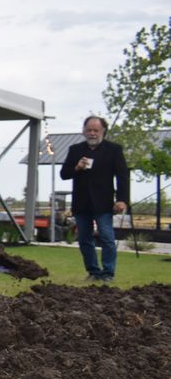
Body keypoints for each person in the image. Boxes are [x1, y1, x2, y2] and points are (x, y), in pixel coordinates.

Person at [60, 115, 129, 281]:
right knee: (84, 239)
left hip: (104, 203)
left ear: (103, 131)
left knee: (106, 237)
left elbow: (122, 176)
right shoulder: (75, 150)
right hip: (81, 203)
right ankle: (93, 272)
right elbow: (64, 174)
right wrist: (77, 167)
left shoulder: (114, 149)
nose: (92, 133)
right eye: (89, 130)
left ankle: (108, 273)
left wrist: (122, 199)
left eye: (95, 130)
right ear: (83, 131)